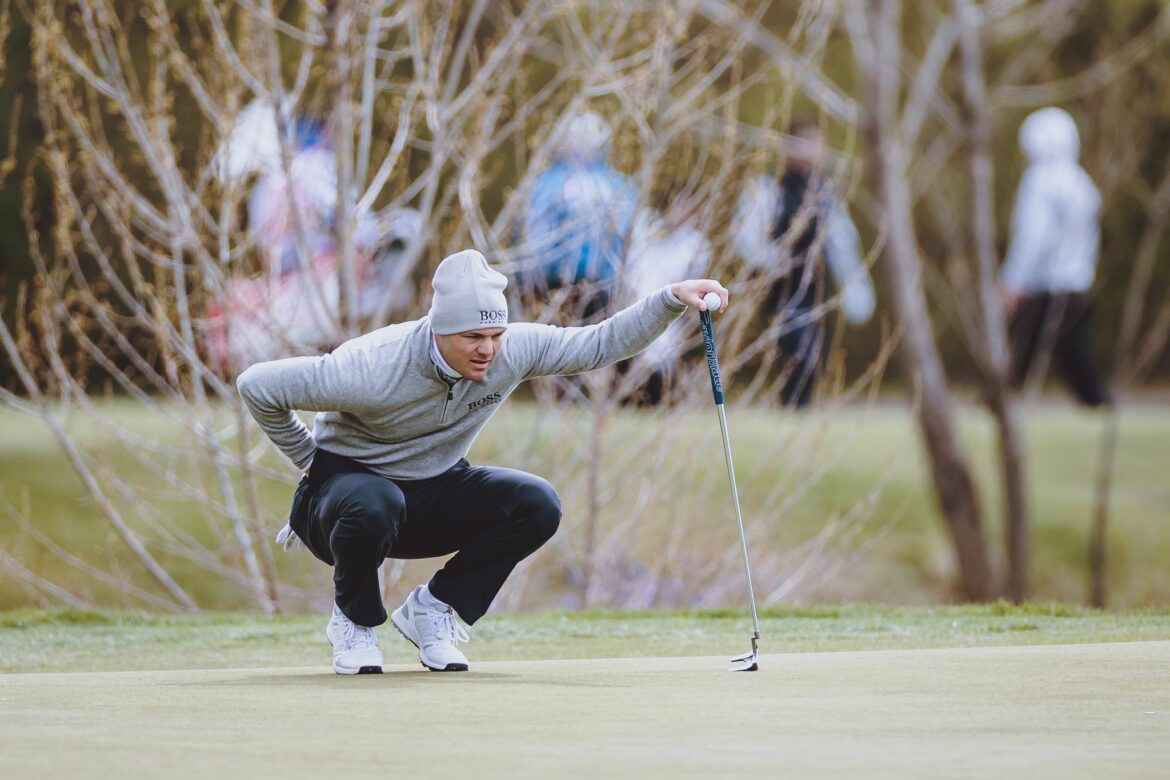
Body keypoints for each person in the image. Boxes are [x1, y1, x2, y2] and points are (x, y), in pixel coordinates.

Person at [236, 249, 727, 675]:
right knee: (375, 499)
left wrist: (668, 299)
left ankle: (433, 609)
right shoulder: (370, 366)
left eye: (495, 334)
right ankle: (356, 622)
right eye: (473, 337)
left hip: (432, 492)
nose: (488, 349)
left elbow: (598, 344)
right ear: (440, 329)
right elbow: (257, 386)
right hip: (344, 501)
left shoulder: (507, 351)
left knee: (536, 503)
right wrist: (309, 459)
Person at [732, 124, 875, 407]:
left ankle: (797, 411)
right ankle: (788, 409)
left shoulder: (826, 195)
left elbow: (842, 245)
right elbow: (744, 237)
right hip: (779, 292)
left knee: (812, 357)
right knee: (793, 354)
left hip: (815, 292)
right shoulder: (770, 189)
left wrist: (854, 286)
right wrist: (771, 258)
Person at [1001, 107, 1107, 407]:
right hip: (1076, 281)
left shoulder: (1040, 181)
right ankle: (1096, 401)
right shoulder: (1079, 181)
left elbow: (1032, 237)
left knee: (1028, 346)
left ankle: (1006, 398)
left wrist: (1014, 281)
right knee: (1070, 349)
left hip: (1045, 283)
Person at [516, 111, 638, 322]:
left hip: (556, 289)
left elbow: (531, 236)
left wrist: (525, 283)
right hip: (590, 290)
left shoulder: (549, 182)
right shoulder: (619, 186)